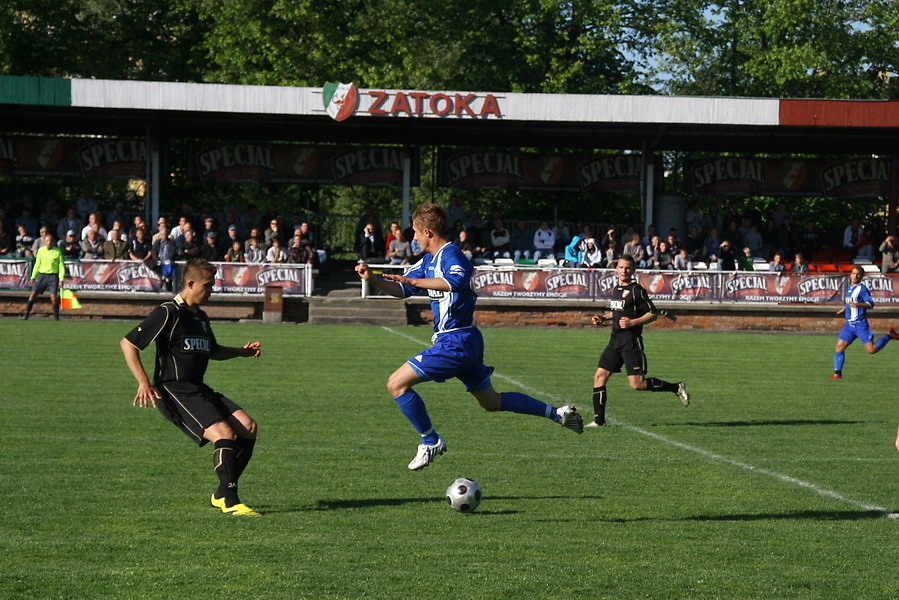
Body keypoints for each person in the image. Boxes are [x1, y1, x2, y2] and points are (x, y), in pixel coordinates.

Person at [354, 203, 583, 470]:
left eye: (416, 233)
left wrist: (414, 283)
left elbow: (455, 282)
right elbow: (402, 289)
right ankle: (557, 414)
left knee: (396, 384)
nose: (414, 238)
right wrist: (371, 278)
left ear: (427, 231)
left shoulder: (453, 256)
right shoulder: (428, 260)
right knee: (491, 402)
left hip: (456, 341)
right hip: (465, 340)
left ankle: (430, 441)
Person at [119, 259, 263, 516]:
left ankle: (221, 493)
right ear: (190, 283)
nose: (212, 290)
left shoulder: (201, 317)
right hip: (173, 390)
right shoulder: (168, 312)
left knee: (248, 427)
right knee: (224, 433)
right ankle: (229, 500)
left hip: (198, 388)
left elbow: (213, 351)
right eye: (208, 285)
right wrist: (143, 382)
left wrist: (241, 352)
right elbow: (128, 343)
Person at [587, 255, 690, 427]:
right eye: (620, 267)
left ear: (633, 270)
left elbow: (652, 313)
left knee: (637, 384)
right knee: (599, 376)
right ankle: (599, 421)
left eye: (627, 268)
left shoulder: (637, 291)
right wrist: (602, 317)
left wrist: (632, 322)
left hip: (630, 342)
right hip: (615, 341)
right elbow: (618, 311)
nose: (623, 271)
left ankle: (676, 388)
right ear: (616, 269)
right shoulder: (616, 289)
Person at [830, 265, 899, 379]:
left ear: (861, 277)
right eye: (853, 273)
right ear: (850, 274)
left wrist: (858, 305)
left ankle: (890, 335)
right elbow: (850, 303)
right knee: (839, 347)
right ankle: (837, 374)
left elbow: (871, 304)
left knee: (871, 350)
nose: (855, 276)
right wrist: (845, 308)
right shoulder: (849, 288)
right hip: (849, 324)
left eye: (858, 274)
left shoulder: (862, 289)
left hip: (860, 324)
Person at [22, 233, 66, 320]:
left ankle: (56, 316)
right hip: (42, 276)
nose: (49, 242)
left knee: (53, 297)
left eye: (50, 241)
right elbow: (37, 265)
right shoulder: (41, 251)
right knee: (33, 294)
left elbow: (61, 266)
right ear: (45, 242)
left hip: (53, 276)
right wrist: (33, 277)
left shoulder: (57, 252)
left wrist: (61, 279)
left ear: (52, 242)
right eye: (47, 241)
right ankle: (26, 313)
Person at [151, 227, 176, 291]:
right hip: (158, 262)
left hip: (167, 262)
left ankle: (168, 288)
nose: (163, 235)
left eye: (165, 234)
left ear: (167, 234)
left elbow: (172, 252)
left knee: (168, 275)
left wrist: (167, 259)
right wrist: (157, 260)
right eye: (162, 234)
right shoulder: (157, 242)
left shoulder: (172, 242)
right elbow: (154, 253)